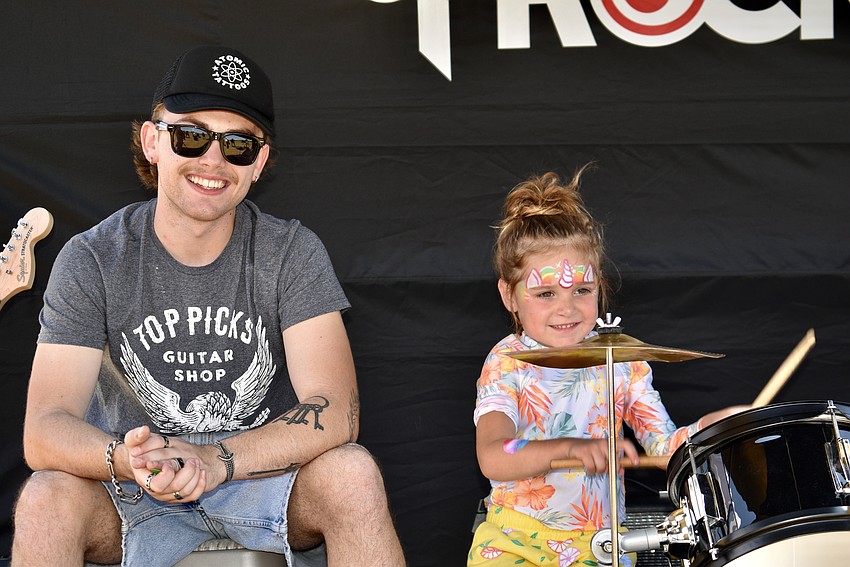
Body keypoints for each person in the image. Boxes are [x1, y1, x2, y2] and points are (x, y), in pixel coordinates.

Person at [11, 45, 406, 567]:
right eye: (191, 136)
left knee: (352, 473)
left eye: (238, 144)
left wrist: (216, 460)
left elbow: (335, 412)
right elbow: (44, 429)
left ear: (259, 162)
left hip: (259, 478)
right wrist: (127, 460)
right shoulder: (92, 258)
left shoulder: (290, 250)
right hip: (134, 490)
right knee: (44, 498)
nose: (212, 161)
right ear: (153, 141)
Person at [467, 168, 748, 566]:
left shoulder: (622, 364)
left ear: (599, 286)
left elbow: (665, 450)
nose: (566, 307)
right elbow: (495, 454)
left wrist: (711, 430)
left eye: (582, 290)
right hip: (514, 543)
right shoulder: (507, 362)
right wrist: (570, 448)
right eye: (545, 292)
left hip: (601, 548)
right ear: (508, 295)